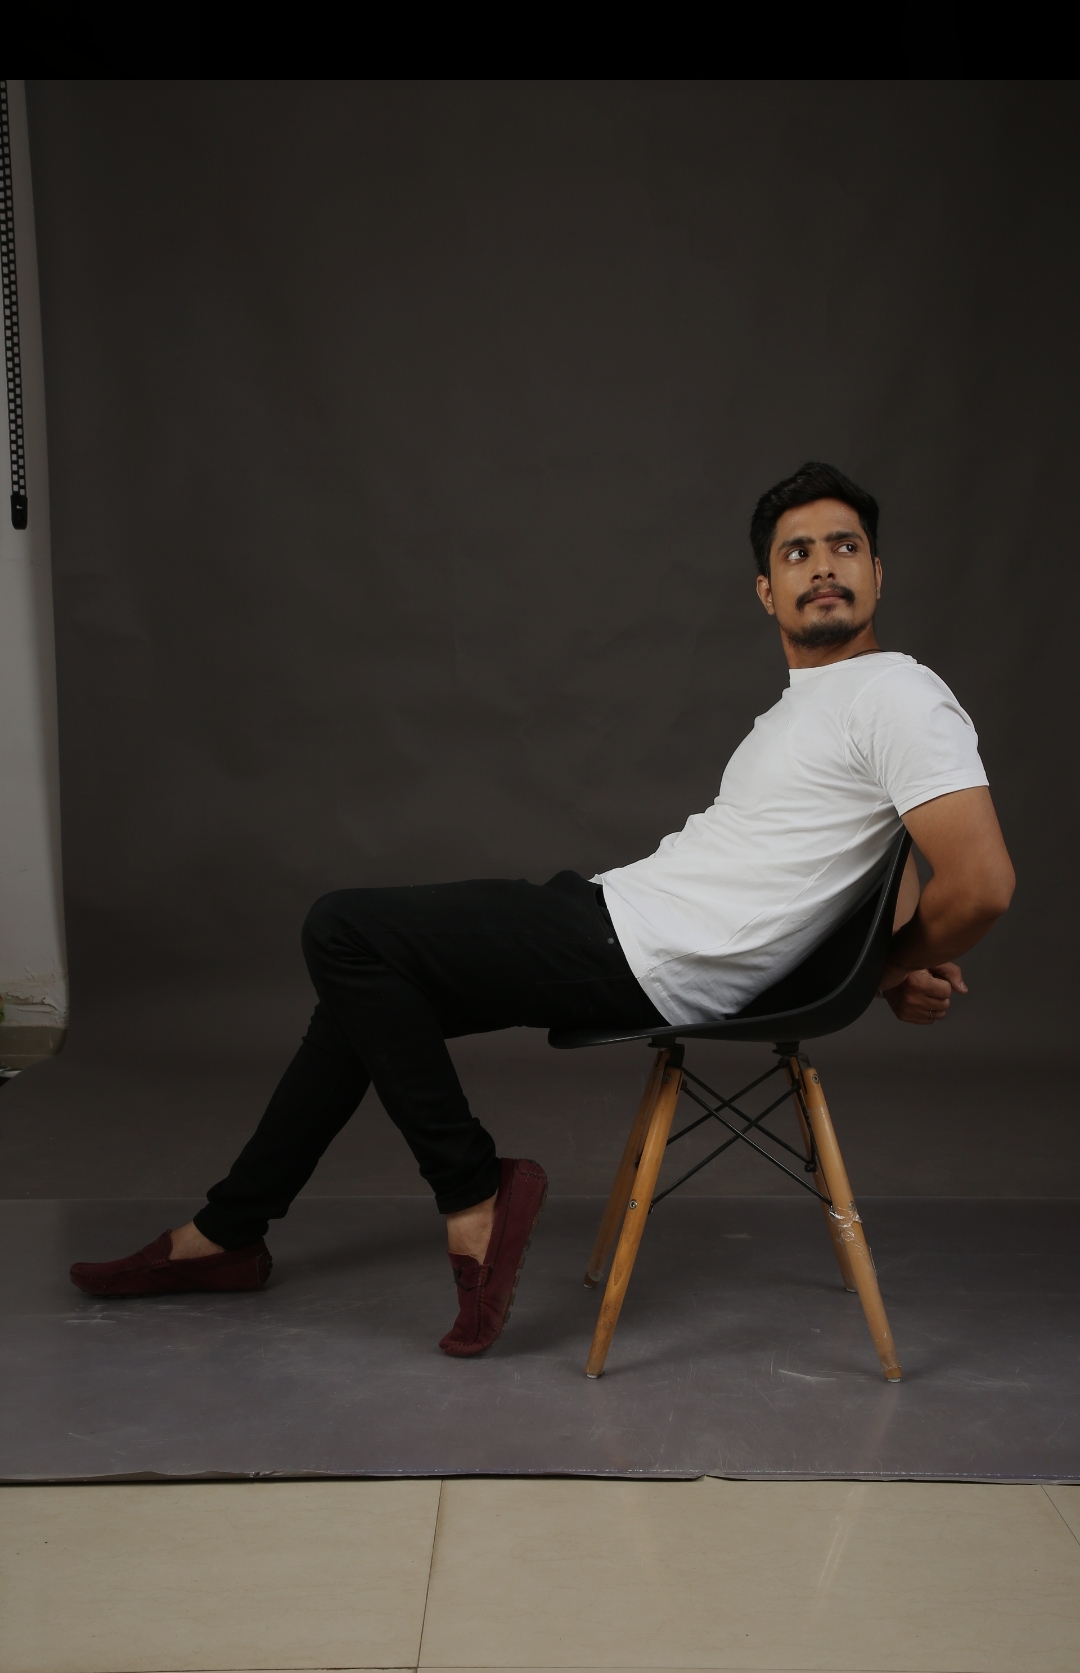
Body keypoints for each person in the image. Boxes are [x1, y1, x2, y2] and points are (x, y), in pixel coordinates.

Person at [70, 461, 1015, 1355]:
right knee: (360, 1002)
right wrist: (883, 959)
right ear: (766, 591)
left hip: (644, 950)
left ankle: (474, 1195)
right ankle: (227, 1234)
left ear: (878, 573)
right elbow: (859, 859)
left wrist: (884, 966)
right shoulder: (808, 706)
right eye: (796, 553)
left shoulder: (896, 693)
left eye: (844, 547)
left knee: (344, 929)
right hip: (623, 920)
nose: (823, 567)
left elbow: (980, 883)